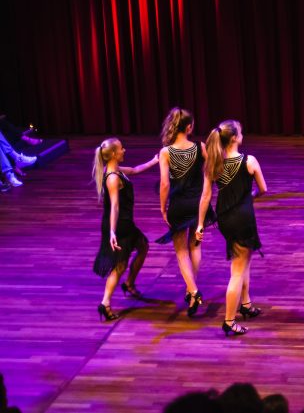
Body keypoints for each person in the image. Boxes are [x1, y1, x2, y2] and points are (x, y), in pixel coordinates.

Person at [197, 120, 267, 336]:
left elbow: (206, 196)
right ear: (235, 138)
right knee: (237, 271)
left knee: (243, 261)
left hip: (225, 219)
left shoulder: (214, 163)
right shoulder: (249, 161)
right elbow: (263, 189)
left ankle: (245, 304)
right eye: (242, 132)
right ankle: (229, 320)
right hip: (243, 218)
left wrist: (200, 224)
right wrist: (251, 196)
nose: (243, 135)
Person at [156, 108, 215, 317]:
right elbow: (212, 170)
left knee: (181, 252)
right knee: (195, 247)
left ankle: (193, 291)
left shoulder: (166, 152)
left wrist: (163, 207)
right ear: (189, 127)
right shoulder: (200, 147)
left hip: (179, 206)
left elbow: (164, 184)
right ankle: (192, 293)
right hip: (199, 204)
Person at [92, 139, 158, 320]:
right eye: (121, 148)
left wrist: (154, 161)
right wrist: (113, 232)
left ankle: (129, 283)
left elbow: (136, 170)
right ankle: (105, 303)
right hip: (120, 225)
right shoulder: (113, 178)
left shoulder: (116, 171)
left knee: (143, 245)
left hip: (125, 223)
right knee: (119, 265)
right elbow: (114, 206)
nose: (124, 150)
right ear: (113, 154)